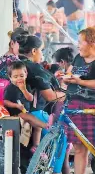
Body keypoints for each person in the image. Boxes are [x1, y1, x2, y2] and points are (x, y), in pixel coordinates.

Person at [62, 27, 95, 174]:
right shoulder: (78, 58)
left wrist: (80, 82)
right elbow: (70, 75)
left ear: (91, 43)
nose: (77, 45)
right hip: (74, 106)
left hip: (94, 108)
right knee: (79, 148)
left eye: (80, 42)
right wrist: (66, 79)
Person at [16, 35, 66, 174]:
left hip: (15, 108)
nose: (42, 54)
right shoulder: (32, 67)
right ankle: (57, 171)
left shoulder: (16, 61)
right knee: (62, 134)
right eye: (41, 50)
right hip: (31, 112)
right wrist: (66, 93)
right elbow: (50, 96)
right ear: (33, 51)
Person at [4, 61, 52, 153]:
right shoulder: (10, 88)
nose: (19, 79)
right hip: (15, 113)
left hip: (25, 111)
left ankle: (35, 146)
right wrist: (16, 105)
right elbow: (5, 102)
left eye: (21, 76)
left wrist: (24, 89)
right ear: (10, 78)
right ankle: (47, 126)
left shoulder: (26, 86)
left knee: (37, 127)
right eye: (15, 77)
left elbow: (30, 98)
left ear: (26, 74)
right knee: (29, 117)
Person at [0, 28, 28, 94]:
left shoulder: (5, 57)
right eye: (21, 45)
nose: (25, 49)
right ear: (12, 44)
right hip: (2, 101)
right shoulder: (14, 61)